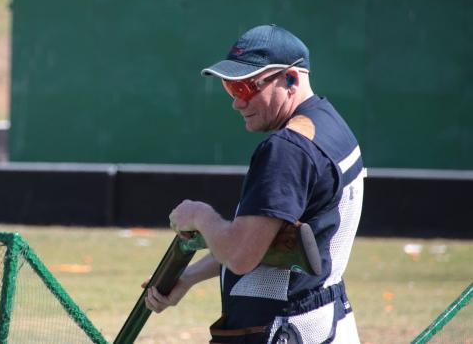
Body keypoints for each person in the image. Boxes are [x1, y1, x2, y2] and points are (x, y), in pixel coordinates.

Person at [144, 24, 365, 343]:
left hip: (287, 328)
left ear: (291, 78)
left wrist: (199, 216)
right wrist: (189, 277)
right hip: (324, 322)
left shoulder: (288, 149)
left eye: (247, 87)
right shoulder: (329, 123)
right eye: (230, 89)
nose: (237, 102)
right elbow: (268, 243)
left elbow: (241, 254)